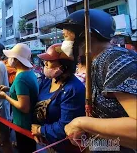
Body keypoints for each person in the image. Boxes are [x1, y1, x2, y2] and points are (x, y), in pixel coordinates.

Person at [57, 9, 137, 151]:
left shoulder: (113, 59)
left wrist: (82, 122)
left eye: (66, 36)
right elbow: (116, 142)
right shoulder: (95, 62)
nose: (64, 43)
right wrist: (89, 142)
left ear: (87, 36)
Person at [31, 43, 85, 152]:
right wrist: (36, 128)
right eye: (45, 61)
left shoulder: (73, 89)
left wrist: (41, 130)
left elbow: (65, 126)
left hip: (64, 146)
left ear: (63, 66)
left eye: (49, 61)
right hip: (47, 142)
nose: (44, 64)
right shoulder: (47, 81)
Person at [0, 43, 38, 153]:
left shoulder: (21, 78)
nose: (9, 60)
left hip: (23, 124)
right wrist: (8, 88)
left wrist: (5, 96)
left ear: (17, 60)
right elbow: (22, 92)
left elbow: (23, 106)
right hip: (29, 122)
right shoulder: (28, 73)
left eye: (12, 57)